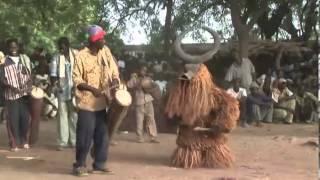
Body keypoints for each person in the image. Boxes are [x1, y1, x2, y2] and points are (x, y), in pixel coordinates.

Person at [72, 25, 119, 176]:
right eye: (102, 38)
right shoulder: (81, 56)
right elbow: (76, 79)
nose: (104, 41)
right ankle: (79, 165)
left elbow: (113, 70)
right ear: (94, 40)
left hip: (101, 103)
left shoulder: (105, 52)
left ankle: (99, 164)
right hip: (86, 103)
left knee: (102, 136)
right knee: (84, 137)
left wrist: (116, 80)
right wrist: (92, 89)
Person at [0, 38, 32, 151]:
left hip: (24, 95)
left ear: (18, 47)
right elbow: (2, 79)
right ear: (7, 48)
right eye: (11, 47)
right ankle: (13, 143)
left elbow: (29, 75)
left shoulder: (24, 59)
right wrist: (12, 87)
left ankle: (24, 141)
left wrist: (28, 87)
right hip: (11, 95)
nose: (13, 49)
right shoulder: (3, 61)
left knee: (25, 118)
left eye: (15, 46)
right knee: (12, 119)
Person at [50, 37, 78, 151]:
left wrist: (77, 87)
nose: (61, 49)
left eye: (63, 47)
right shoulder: (56, 57)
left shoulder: (76, 55)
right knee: (62, 116)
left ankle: (74, 141)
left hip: (75, 90)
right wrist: (56, 86)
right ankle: (62, 142)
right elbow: (53, 75)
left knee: (75, 116)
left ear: (68, 46)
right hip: (62, 90)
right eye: (59, 47)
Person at [127, 66, 159, 143]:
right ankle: (140, 137)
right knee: (139, 120)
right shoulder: (135, 79)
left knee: (151, 119)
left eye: (145, 70)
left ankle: (153, 137)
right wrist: (133, 78)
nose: (143, 71)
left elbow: (154, 86)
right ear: (139, 71)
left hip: (148, 100)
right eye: (142, 70)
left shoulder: (148, 79)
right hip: (139, 101)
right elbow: (128, 85)